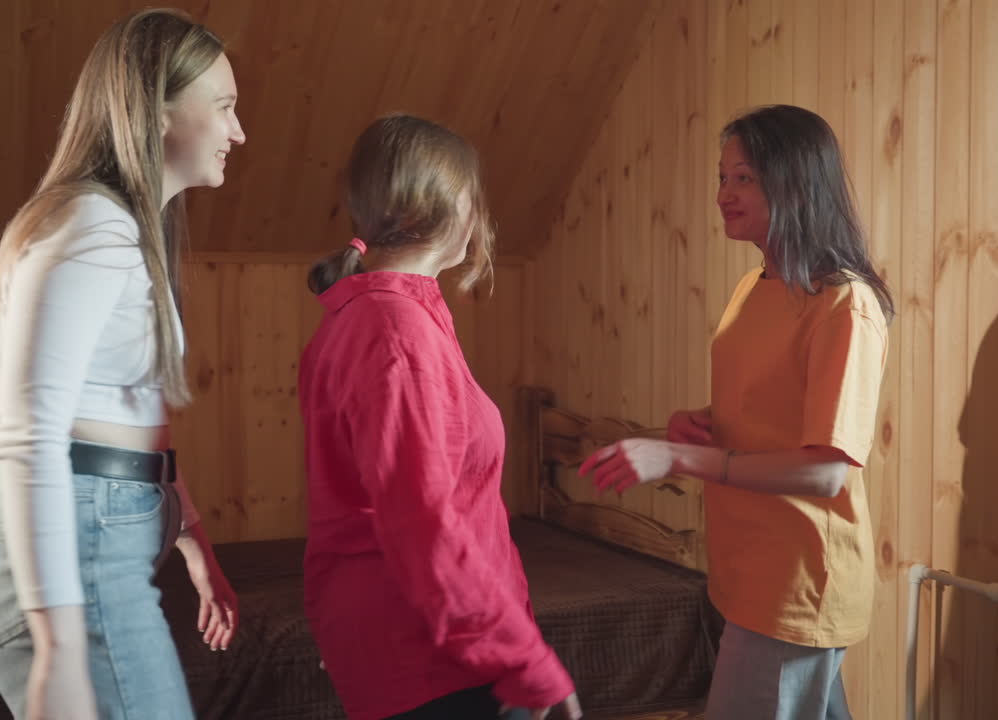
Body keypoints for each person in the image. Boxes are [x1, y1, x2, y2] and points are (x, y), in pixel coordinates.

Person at [0, 8, 246, 718]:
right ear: (155, 110)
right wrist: (59, 644)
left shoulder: (124, 230)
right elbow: (34, 436)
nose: (238, 133)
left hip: (105, 540)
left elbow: (126, 421)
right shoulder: (91, 225)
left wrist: (192, 542)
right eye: (226, 108)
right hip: (76, 554)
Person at [581, 104, 894, 720]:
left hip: (796, 581)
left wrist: (677, 456)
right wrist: (699, 421)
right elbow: (766, 408)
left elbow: (825, 470)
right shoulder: (755, 287)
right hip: (745, 569)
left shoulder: (844, 305)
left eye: (744, 177)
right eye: (722, 177)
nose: (724, 194)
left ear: (796, 182)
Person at [298, 114, 582, 720]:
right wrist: (525, 661)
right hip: (425, 651)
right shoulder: (394, 331)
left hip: (432, 639)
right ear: (451, 205)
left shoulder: (394, 315)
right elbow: (423, 523)